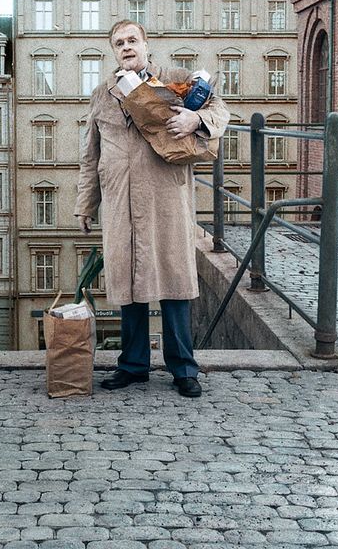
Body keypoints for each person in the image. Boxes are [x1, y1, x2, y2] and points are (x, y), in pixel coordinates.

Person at [75, 19, 230, 398]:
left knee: (174, 280)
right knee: (129, 283)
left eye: (132, 40)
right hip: (120, 200)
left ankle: (183, 368)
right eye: (118, 43)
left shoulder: (176, 79)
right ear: (113, 52)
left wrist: (197, 117)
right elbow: (89, 155)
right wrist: (85, 205)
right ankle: (133, 365)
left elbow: (222, 112)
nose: (126, 47)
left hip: (166, 197)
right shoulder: (102, 94)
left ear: (146, 45)